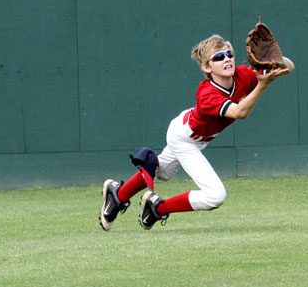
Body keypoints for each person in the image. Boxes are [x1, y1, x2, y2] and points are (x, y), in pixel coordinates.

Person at [99, 33, 294, 231]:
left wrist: (275, 59)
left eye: (229, 54)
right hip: (185, 137)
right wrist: (262, 85)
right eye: (218, 57)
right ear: (206, 67)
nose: (226, 58)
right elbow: (239, 112)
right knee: (215, 196)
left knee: (161, 172)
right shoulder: (207, 93)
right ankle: (157, 208)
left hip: (195, 134)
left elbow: (289, 67)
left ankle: (118, 195)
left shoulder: (242, 75)